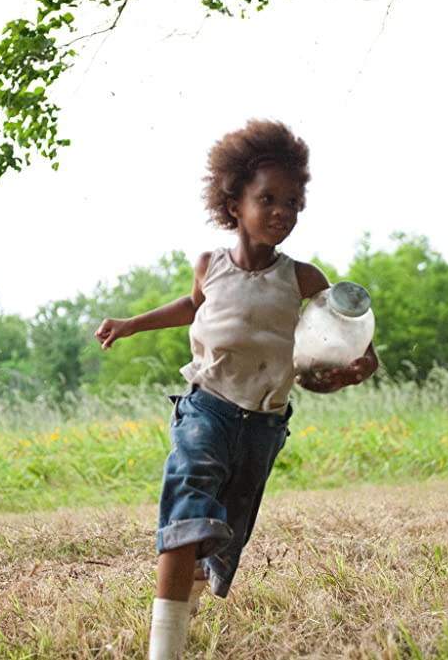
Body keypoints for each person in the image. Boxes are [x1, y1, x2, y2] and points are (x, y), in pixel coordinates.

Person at [94, 119, 379, 660]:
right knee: (186, 510)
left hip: (264, 425)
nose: (282, 212)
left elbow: (349, 344)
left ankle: (187, 597)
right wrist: (132, 323)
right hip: (207, 408)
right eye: (267, 198)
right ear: (233, 203)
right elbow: (193, 306)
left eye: (293, 203)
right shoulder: (210, 265)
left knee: (222, 535)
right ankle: (164, 650)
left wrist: (354, 368)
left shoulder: (303, 280)